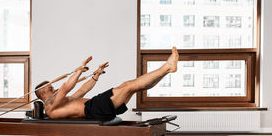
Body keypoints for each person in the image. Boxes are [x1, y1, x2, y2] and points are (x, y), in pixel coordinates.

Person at [35, 47, 179, 120]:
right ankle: (167, 67)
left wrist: (96, 74)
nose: (54, 89)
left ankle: (167, 70)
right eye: (50, 88)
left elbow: (81, 91)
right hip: (94, 109)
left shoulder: (59, 103)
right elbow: (66, 87)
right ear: (42, 94)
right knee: (127, 85)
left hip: (95, 107)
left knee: (132, 88)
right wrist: (79, 70)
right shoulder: (50, 107)